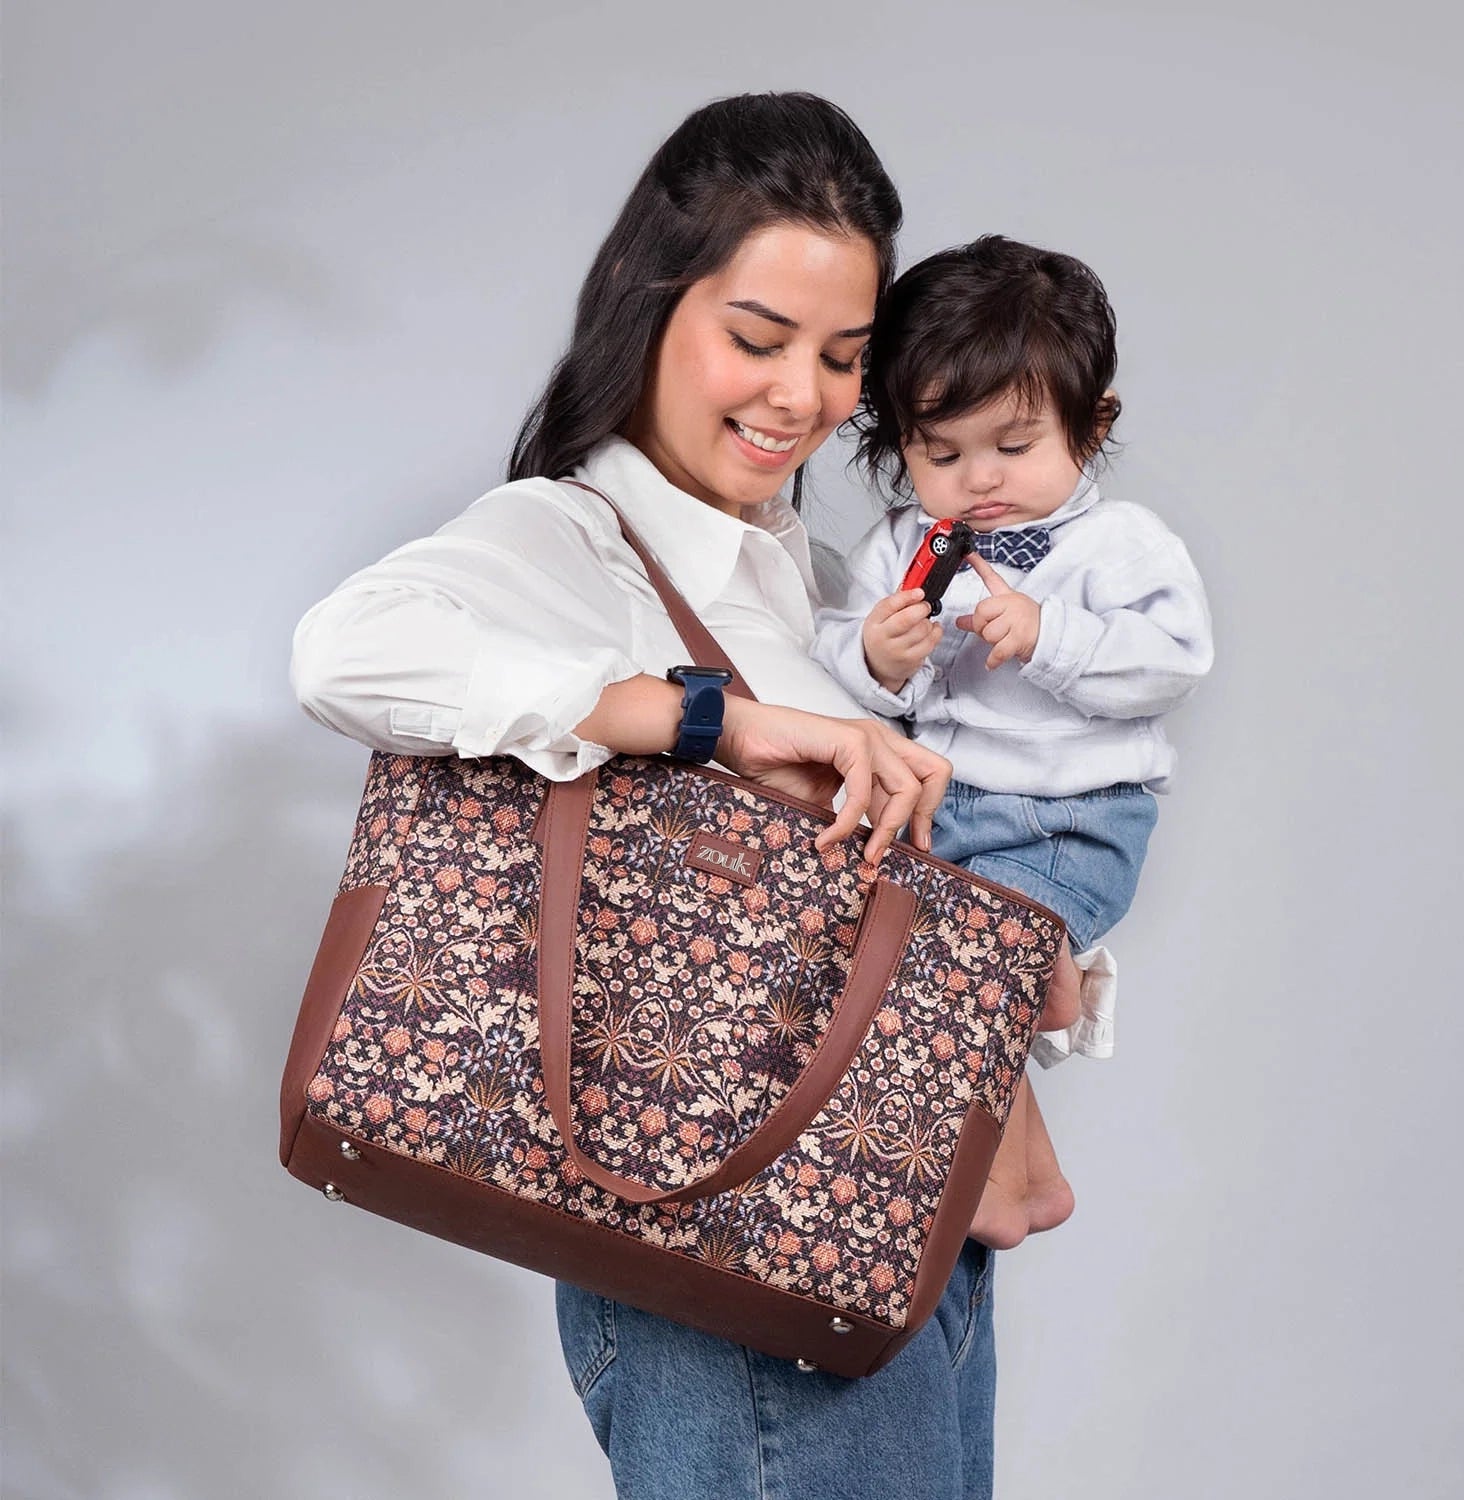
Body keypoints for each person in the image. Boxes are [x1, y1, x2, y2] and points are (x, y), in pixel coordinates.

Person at [291, 95, 1078, 1500]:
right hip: (717, 1272)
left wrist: (1022, 966)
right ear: (648, 305)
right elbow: (346, 650)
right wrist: (706, 719)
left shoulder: (827, 591)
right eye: (758, 340)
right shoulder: (569, 538)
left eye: (844, 359)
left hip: (893, 1250)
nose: (802, 399)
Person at [812, 234, 1214, 1250]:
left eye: (1013, 447)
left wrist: (1052, 636)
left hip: (1071, 821)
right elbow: (830, 665)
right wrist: (877, 655)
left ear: (1094, 423)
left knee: (983, 968)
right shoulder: (900, 545)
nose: (977, 481)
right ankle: (1029, 1178)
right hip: (946, 812)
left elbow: (1174, 658)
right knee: (904, 977)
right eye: (939, 453)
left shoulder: (1120, 546)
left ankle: (1050, 973)